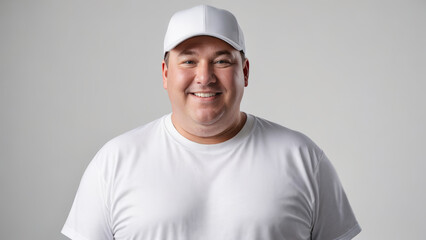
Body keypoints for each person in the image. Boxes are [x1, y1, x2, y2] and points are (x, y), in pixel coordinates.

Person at [62, 4, 361, 240]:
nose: (204, 77)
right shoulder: (114, 162)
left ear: (244, 71)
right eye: (189, 61)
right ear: (166, 73)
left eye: (222, 61)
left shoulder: (302, 158)